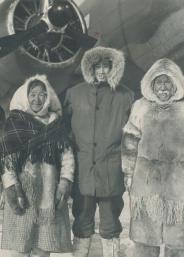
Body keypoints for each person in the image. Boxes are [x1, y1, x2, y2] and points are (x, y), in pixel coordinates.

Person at [121, 58, 184, 257]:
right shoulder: (140, 107)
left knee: (177, 244)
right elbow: (129, 143)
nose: (163, 87)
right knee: (144, 242)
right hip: (147, 189)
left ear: (176, 83)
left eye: (168, 82)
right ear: (151, 85)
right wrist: (129, 174)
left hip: (180, 192)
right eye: (159, 82)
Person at [64, 46, 134, 257]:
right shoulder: (74, 94)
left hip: (111, 173)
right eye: (98, 66)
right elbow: (65, 131)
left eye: (107, 66)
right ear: (89, 68)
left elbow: (132, 136)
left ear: (114, 68)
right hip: (83, 171)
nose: (102, 71)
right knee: (82, 221)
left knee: (111, 224)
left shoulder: (126, 96)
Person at [0, 75, 75, 257]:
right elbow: (7, 159)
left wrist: (65, 182)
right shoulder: (16, 122)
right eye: (32, 94)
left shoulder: (55, 124)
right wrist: (11, 186)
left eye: (42, 94)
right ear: (25, 97)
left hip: (48, 192)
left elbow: (67, 156)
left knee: (43, 247)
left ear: (48, 98)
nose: (37, 99)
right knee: (21, 246)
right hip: (24, 192)